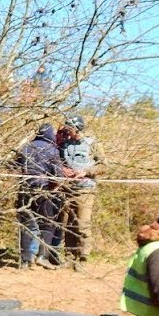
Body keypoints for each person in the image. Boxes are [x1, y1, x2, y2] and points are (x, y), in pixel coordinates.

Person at [15, 123, 64, 269]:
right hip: (44, 190)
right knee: (47, 224)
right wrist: (54, 187)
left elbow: (14, 165)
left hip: (24, 189)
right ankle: (42, 257)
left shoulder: (26, 147)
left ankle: (25, 260)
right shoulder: (52, 149)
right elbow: (57, 174)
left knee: (27, 225)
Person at [56, 115, 102, 269]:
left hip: (86, 190)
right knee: (68, 224)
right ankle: (69, 256)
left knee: (82, 224)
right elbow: (59, 162)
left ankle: (82, 258)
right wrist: (63, 170)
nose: (67, 132)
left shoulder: (92, 143)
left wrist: (86, 172)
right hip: (68, 189)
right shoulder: (64, 144)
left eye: (70, 129)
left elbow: (105, 166)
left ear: (78, 129)